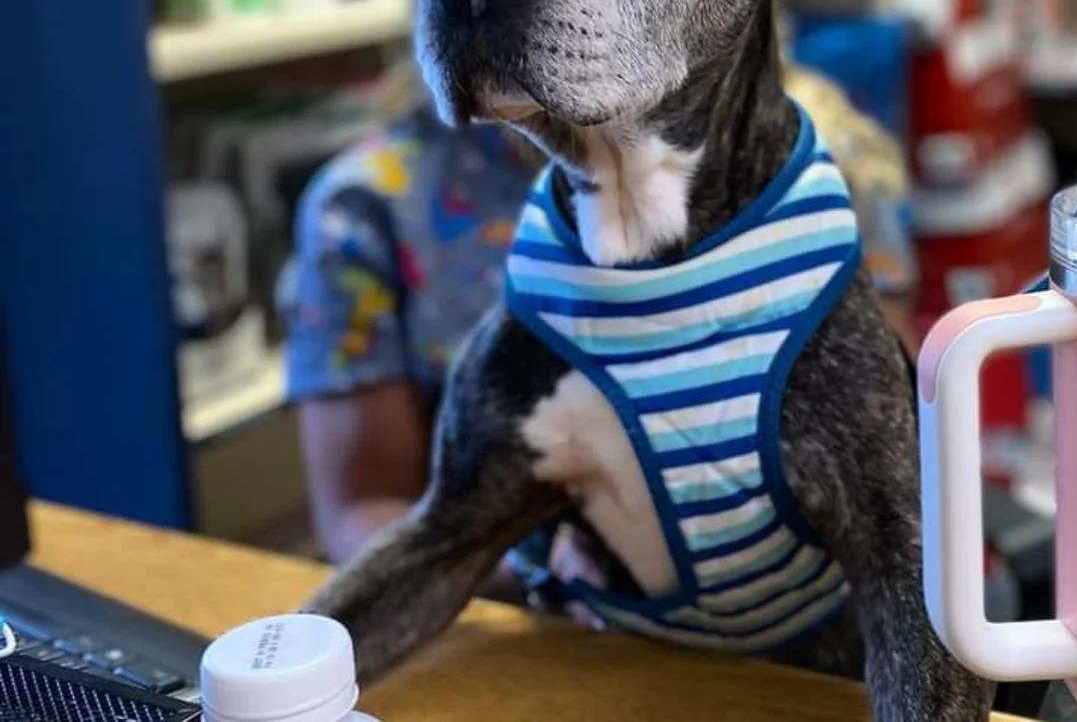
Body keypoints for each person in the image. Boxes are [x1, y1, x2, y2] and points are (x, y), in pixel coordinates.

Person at [281, 64, 918, 568]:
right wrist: (540, 576)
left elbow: (897, 455)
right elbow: (365, 507)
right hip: (545, 633)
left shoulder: (821, 158)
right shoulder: (369, 205)